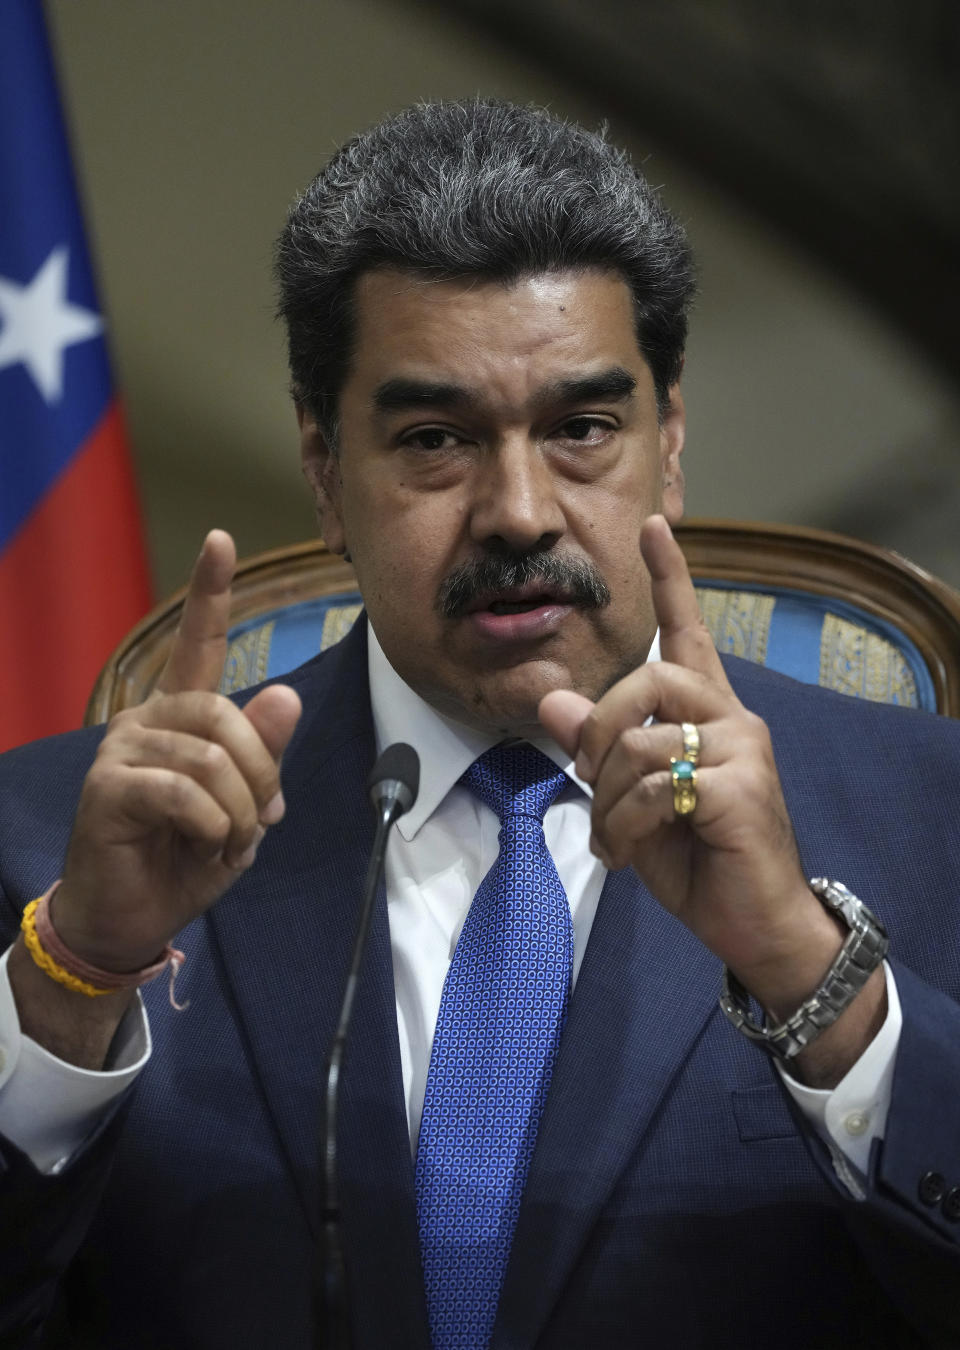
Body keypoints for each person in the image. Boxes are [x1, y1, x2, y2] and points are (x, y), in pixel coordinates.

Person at [2, 99, 960, 1350]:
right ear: (323, 471)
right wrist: (74, 984)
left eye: (581, 429)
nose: (517, 511)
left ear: (668, 448)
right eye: (435, 440)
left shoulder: (932, 818)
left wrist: (808, 972)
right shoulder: (52, 851)